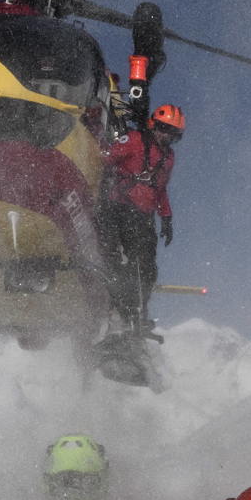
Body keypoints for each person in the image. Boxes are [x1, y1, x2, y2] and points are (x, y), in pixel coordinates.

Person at [99, 103, 182, 334]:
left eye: (173, 134)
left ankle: (135, 313)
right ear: (154, 125)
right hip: (117, 208)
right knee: (112, 260)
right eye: (164, 129)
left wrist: (166, 218)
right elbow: (104, 159)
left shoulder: (168, 157)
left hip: (143, 217)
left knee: (146, 268)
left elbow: (160, 189)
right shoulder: (134, 140)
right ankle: (115, 309)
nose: (167, 136)